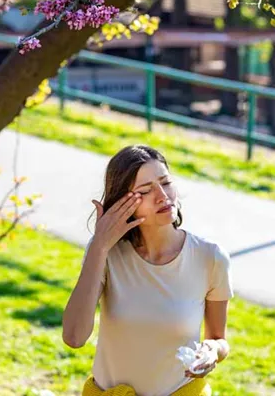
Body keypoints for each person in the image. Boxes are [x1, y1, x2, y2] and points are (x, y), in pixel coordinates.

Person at [62, 145, 234, 396]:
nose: (162, 196)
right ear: (123, 202)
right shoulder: (106, 252)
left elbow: (219, 339)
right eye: (145, 191)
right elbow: (74, 337)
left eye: (166, 183)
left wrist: (212, 352)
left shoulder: (211, 257)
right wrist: (99, 245)